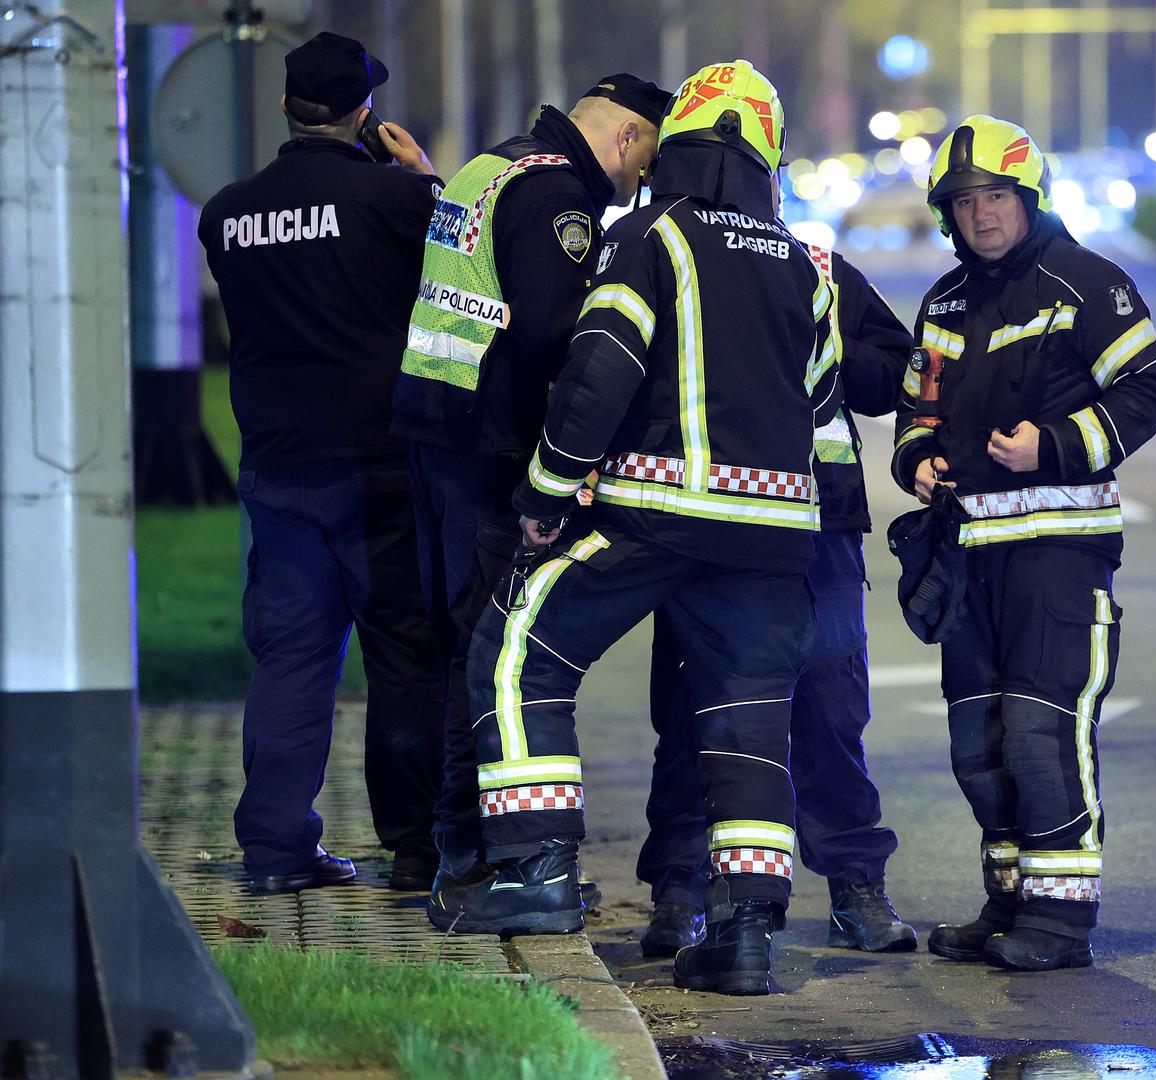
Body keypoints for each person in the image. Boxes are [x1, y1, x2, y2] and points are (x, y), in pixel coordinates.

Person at [444, 59, 838, 997]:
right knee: (748, 725)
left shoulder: (650, 236)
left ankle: (535, 874)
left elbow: (597, 375)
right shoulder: (805, 261)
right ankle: (744, 933)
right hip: (775, 537)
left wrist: (544, 498)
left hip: (656, 514)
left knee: (516, 651)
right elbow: (820, 396)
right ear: (766, 159)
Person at [890, 115, 1156, 970]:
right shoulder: (943, 301)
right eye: (965, 201)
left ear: (1029, 199)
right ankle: (1008, 899)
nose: (981, 215)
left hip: (1060, 548)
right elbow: (916, 406)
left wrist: (1051, 445)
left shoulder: (1087, 282)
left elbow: (1148, 391)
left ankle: (1060, 919)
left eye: (996, 197)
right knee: (974, 741)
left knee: (1038, 731)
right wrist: (918, 460)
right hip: (967, 551)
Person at [388, 73, 669, 909]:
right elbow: (558, 340)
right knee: (487, 652)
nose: (643, 183)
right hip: (491, 448)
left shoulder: (492, 168)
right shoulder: (560, 200)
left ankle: (438, 848)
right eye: (646, 161)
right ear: (625, 138)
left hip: (434, 434)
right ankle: (468, 853)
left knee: (450, 645)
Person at [198, 31, 446, 894]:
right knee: (401, 658)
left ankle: (274, 850)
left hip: (276, 465)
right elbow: (459, 271)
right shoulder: (393, 200)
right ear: (365, 115)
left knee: (292, 659)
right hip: (378, 464)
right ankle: (417, 850)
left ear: (284, 107)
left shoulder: (225, 213)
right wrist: (422, 180)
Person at [637, 237, 916, 957]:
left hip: (818, 521)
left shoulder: (817, 267)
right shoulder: (673, 252)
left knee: (829, 709)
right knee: (692, 708)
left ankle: (856, 886)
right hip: (706, 524)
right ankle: (680, 891)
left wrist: (815, 344)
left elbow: (892, 376)